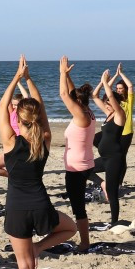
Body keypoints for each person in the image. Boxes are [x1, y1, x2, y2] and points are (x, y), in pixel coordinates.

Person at [0, 56, 78, 269]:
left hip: (17, 207)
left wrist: (17, 77)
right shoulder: (44, 139)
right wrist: (29, 79)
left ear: (17, 119)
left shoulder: (10, 142)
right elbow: (41, 109)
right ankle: (39, 247)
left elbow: (1, 104)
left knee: (24, 267)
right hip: (40, 203)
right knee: (71, 228)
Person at [58, 57, 95, 252]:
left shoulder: (81, 116)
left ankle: (85, 244)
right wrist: (69, 75)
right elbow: (71, 93)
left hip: (77, 168)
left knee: (78, 208)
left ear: (77, 102)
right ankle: (84, 241)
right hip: (83, 164)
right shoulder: (87, 111)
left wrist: (62, 73)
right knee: (78, 205)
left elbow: (64, 94)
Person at [91, 70, 128, 228]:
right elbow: (94, 96)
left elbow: (112, 97)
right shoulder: (108, 114)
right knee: (84, 168)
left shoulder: (120, 114)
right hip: (104, 158)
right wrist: (101, 82)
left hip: (114, 159)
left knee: (112, 195)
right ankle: (102, 183)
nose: (106, 105)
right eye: (106, 103)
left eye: (109, 103)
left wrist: (107, 82)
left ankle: (114, 222)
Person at [0, 80, 29, 179]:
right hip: (12, 144)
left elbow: (26, 96)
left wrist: (18, 83)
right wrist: (13, 84)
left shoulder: (25, 114)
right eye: (14, 104)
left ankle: (18, 177)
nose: (15, 107)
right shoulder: (12, 112)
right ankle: (13, 176)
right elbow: (4, 101)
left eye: (18, 104)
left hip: (24, 144)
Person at [112, 63, 135, 153]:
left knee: (122, 154)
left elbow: (130, 86)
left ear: (124, 89)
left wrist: (121, 73)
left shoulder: (129, 101)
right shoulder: (115, 100)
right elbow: (107, 88)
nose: (118, 90)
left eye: (121, 88)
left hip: (127, 131)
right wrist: (115, 75)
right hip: (116, 130)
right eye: (117, 88)